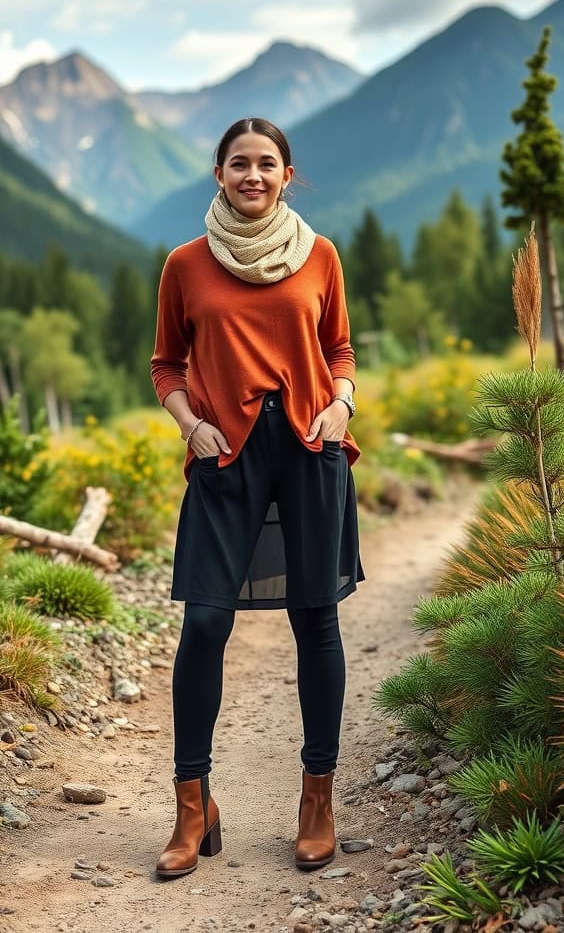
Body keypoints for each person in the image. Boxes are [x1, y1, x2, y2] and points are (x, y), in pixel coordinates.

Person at [150, 117, 365, 879]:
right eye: (238, 163)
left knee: (316, 617)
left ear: (286, 174)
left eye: (266, 164)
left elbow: (339, 348)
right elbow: (165, 363)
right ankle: (191, 805)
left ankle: (317, 801)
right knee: (205, 621)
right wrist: (188, 422)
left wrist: (341, 405)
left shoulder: (320, 257)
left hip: (310, 448)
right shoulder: (185, 263)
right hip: (224, 454)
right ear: (218, 174)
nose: (252, 175)